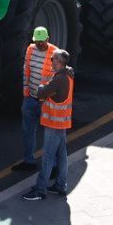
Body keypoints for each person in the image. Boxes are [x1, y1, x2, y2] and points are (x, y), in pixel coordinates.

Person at [20, 48, 74, 201]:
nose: (51, 61)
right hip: (62, 122)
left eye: (53, 59)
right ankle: (60, 185)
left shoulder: (59, 79)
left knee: (48, 157)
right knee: (62, 154)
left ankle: (40, 189)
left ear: (60, 62)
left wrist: (41, 87)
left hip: (53, 123)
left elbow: (41, 93)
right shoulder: (68, 75)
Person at [16, 25, 55, 171]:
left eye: (41, 41)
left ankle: (51, 166)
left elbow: (57, 80)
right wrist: (26, 92)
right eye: (36, 41)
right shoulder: (30, 49)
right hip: (30, 99)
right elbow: (26, 70)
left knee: (50, 135)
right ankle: (29, 161)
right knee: (27, 131)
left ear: (47, 39)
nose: (38, 44)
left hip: (46, 102)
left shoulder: (55, 53)